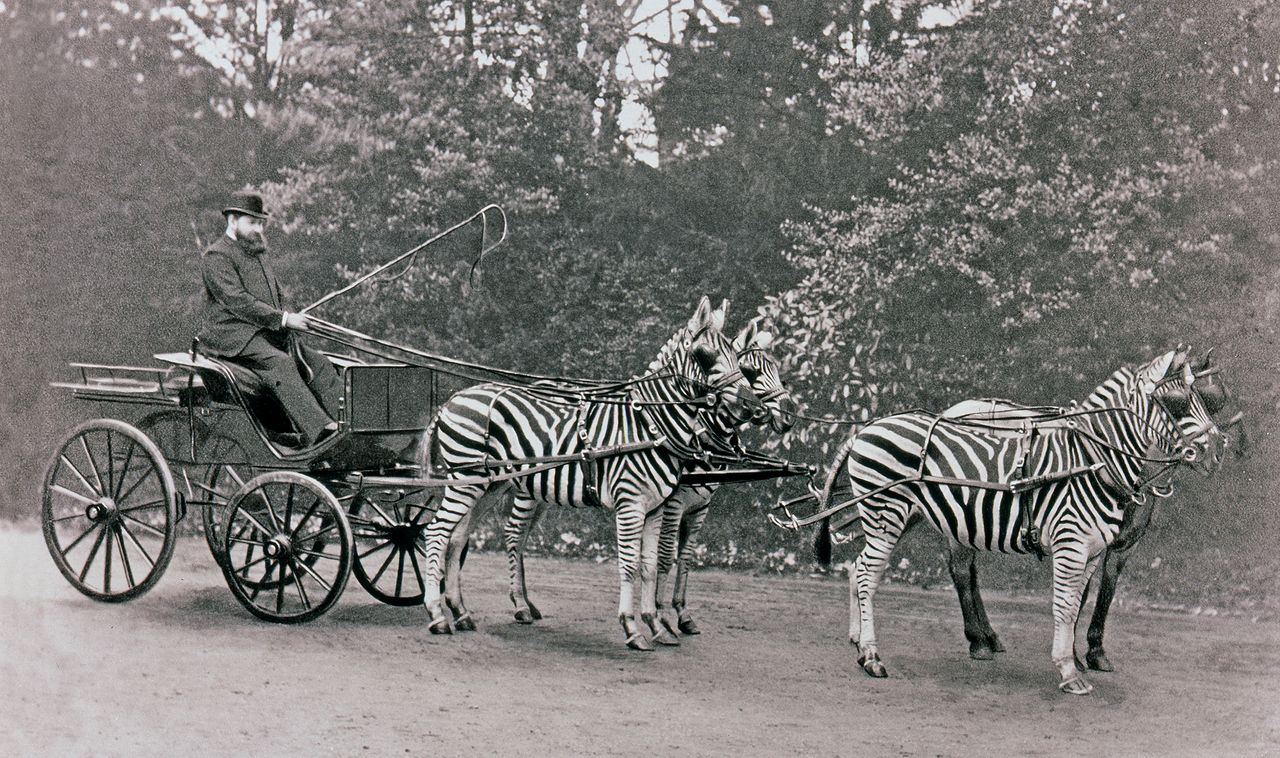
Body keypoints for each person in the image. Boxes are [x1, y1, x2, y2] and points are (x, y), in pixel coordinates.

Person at [197, 190, 342, 448]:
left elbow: (276, 293)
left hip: (265, 331)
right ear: (233, 221)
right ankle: (321, 433)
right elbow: (237, 301)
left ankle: (345, 425)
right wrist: (284, 319)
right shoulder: (216, 256)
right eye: (252, 222)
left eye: (261, 223)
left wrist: (292, 317)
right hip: (233, 338)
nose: (258, 228)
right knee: (281, 363)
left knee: (319, 363)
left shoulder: (257, 252)